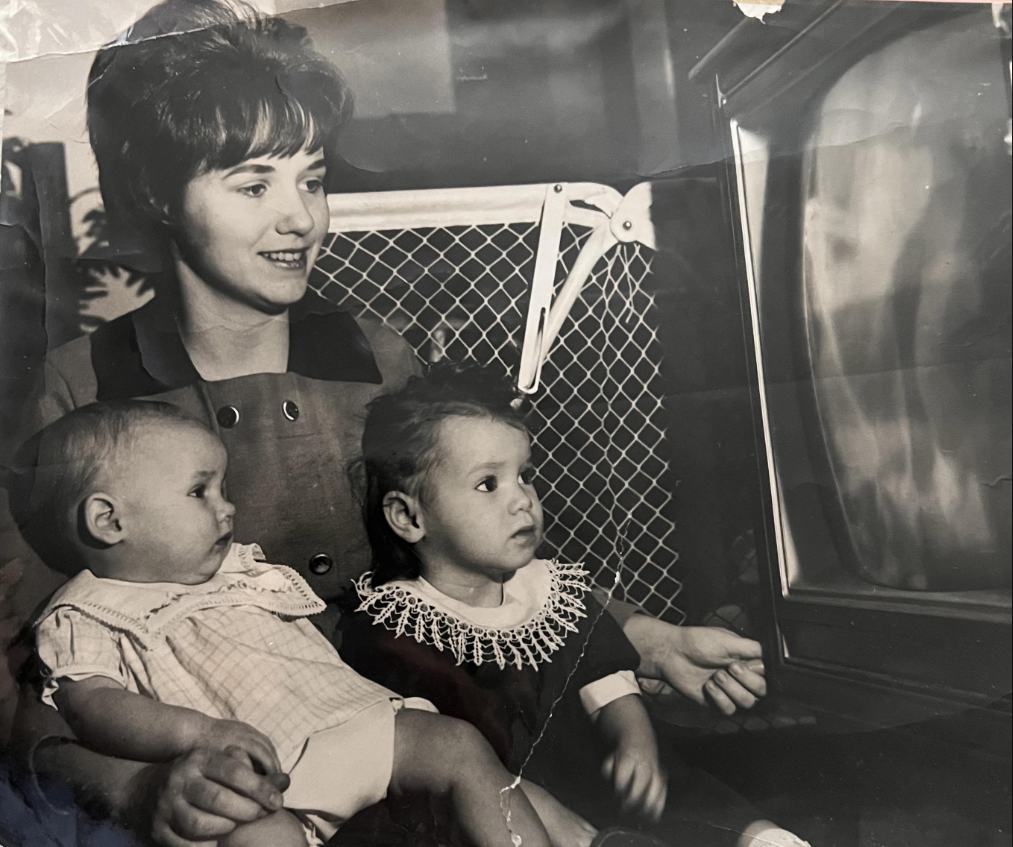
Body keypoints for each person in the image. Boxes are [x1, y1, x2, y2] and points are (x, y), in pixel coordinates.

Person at [0, 1, 766, 844]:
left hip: (429, 735)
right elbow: (25, 678)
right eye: (253, 185)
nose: (300, 218)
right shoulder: (83, 388)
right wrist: (141, 787)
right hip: (241, 789)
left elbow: (473, 542)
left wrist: (641, 636)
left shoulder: (376, 354)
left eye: (312, 179)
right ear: (157, 193)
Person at [14, 399, 574, 847]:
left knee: (457, 745)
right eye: (199, 492)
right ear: (108, 520)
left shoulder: (241, 569)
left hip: (348, 723)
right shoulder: (87, 610)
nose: (227, 508)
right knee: (254, 835)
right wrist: (198, 735)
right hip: (257, 775)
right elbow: (93, 705)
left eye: (223, 490)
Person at [339, 365, 808, 847]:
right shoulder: (393, 629)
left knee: (681, 791)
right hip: (506, 806)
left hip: (595, 772)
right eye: (488, 484)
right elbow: (433, 754)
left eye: (524, 476)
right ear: (408, 516)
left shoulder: (550, 590)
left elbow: (606, 680)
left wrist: (634, 739)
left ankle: (760, 837)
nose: (523, 500)